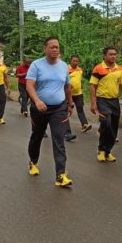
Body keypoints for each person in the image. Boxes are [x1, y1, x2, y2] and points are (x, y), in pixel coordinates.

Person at [26, 36, 74, 188]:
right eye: (52, 47)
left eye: (57, 47)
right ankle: (33, 162)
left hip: (59, 108)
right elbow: (29, 85)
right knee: (37, 136)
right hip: (39, 108)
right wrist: (37, 100)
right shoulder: (36, 65)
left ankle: (60, 175)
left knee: (59, 139)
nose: (55, 49)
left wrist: (70, 103)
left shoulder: (63, 66)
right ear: (45, 48)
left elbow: (67, 86)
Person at [90, 47, 122, 163]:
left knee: (114, 126)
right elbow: (92, 86)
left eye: (115, 54)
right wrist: (93, 103)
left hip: (114, 101)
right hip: (102, 100)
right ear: (105, 56)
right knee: (106, 124)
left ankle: (108, 151)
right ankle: (101, 150)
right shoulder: (98, 68)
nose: (113, 56)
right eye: (110, 54)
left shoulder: (119, 69)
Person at [64, 55, 92, 142]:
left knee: (80, 109)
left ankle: (85, 125)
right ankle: (65, 130)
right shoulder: (66, 70)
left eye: (77, 61)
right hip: (69, 94)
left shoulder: (80, 70)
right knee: (66, 111)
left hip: (79, 94)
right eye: (74, 61)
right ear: (70, 61)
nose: (75, 62)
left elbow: (79, 81)